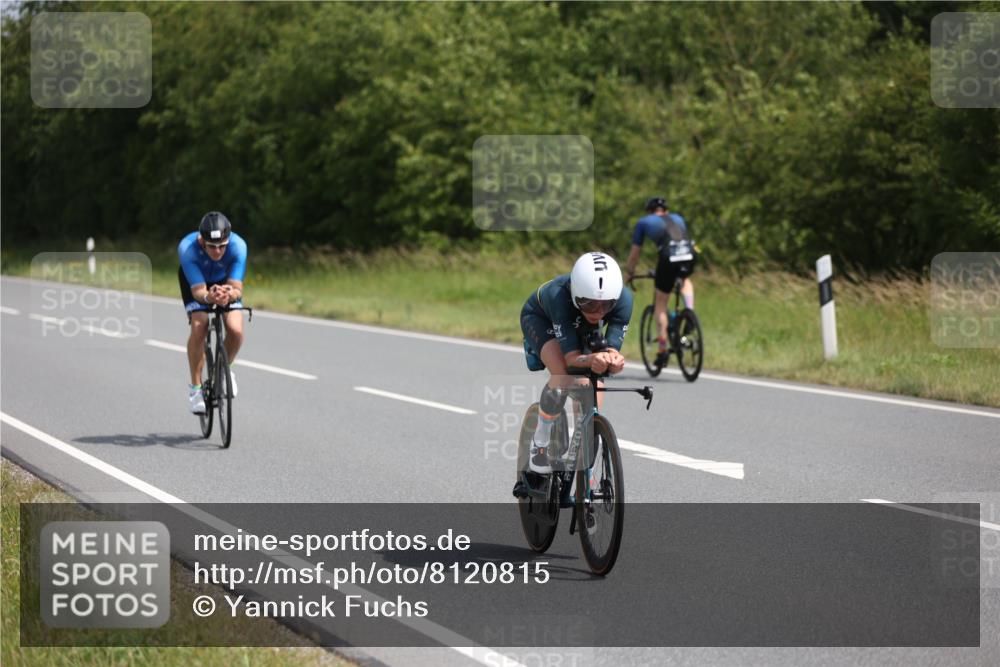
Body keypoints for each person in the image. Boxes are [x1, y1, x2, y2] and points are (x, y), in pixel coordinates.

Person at [519, 251, 632, 473]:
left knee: (594, 382)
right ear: (576, 295)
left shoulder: (623, 300)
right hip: (542, 318)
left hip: (580, 325)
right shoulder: (559, 296)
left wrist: (614, 360)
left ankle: (587, 436)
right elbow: (571, 359)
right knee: (563, 374)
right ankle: (539, 445)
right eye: (588, 304)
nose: (598, 312)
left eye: (605, 306)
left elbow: (610, 350)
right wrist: (591, 358)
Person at [178, 212, 248, 414]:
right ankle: (196, 389)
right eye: (211, 246)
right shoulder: (188, 248)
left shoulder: (238, 246)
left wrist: (229, 294)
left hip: (225, 283)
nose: (217, 251)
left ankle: (224, 370)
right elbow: (198, 292)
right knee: (200, 327)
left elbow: (237, 287)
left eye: (222, 246)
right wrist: (210, 297)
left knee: (235, 330)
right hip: (197, 284)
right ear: (202, 240)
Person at [623, 196, 696, 362]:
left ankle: (662, 349)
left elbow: (635, 255)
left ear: (649, 211)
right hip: (689, 254)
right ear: (666, 210)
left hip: (668, 257)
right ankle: (689, 311)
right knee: (684, 279)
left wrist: (629, 273)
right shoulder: (678, 218)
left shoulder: (644, 222)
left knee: (660, 304)